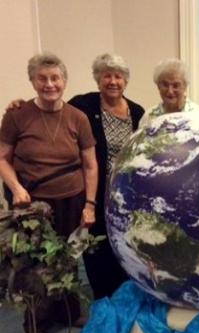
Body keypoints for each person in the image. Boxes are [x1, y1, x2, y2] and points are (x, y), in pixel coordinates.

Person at [0, 52, 98, 333]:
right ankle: (35, 325)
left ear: (64, 81)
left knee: (68, 256)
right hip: (31, 202)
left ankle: (67, 311)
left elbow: (90, 165)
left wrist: (90, 204)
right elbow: (3, 157)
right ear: (32, 81)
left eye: (55, 78)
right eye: (42, 78)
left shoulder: (77, 118)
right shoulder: (17, 116)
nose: (49, 84)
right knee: (32, 266)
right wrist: (15, 187)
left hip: (71, 196)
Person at [68, 53, 145, 300]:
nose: (113, 81)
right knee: (97, 246)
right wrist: (19, 104)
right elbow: (54, 111)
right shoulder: (83, 105)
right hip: (96, 191)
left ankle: (123, 296)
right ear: (98, 79)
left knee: (124, 244)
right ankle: (102, 297)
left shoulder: (137, 111)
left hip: (126, 195)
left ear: (126, 81)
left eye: (118, 76)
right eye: (107, 75)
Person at [139, 58, 199, 128]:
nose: (170, 91)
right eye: (165, 85)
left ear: (185, 86)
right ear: (158, 86)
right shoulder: (148, 117)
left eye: (176, 85)